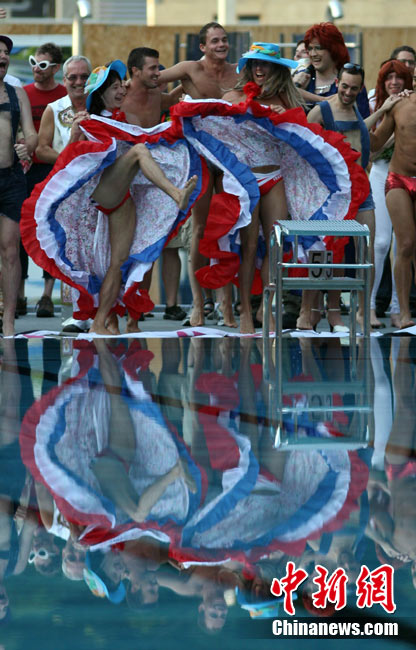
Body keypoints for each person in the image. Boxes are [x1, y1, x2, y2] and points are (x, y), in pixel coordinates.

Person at [84, 60, 197, 335]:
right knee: (139, 152)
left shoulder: (124, 119)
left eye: (120, 86)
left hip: (121, 195)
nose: (121, 90)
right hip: (103, 190)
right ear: (101, 94)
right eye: (114, 87)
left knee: (120, 262)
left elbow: (148, 134)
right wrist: (78, 131)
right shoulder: (89, 121)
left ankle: (105, 321)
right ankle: (176, 193)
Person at [301, 63, 401, 332]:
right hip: (332, 191)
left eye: (354, 89)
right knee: (324, 251)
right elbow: (303, 148)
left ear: (360, 89)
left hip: (360, 188)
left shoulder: (356, 109)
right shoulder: (321, 111)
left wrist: (384, 113)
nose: (347, 92)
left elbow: (363, 136)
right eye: (344, 86)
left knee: (366, 250)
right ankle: (313, 310)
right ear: (337, 82)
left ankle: (360, 310)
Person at [158, 23, 239, 327]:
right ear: (203, 46)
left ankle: (226, 304)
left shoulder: (238, 72)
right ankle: (198, 304)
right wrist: (117, 84)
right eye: (214, 41)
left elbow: (277, 86)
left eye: (224, 40)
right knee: (200, 230)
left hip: (229, 157)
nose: (221, 45)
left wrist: (319, 100)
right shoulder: (190, 69)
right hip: (201, 156)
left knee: (227, 228)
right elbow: (151, 79)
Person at [221, 42, 299, 333]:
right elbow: (217, 129)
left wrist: (283, 115)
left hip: (274, 176)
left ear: (276, 69)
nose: (259, 68)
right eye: (255, 63)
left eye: (264, 64)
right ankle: (244, 309)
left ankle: (267, 306)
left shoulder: (286, 99)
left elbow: (300, 134)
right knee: (249, 246)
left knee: (276, 245)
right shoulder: (233, 97)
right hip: (245, 180)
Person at [35, 54, 92, 332]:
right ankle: (72, 313)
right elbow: (41, 148)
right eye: (73, 77)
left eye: (84, 77)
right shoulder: (54, 109)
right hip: (66, 192)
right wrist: (68, 161)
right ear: (64, 79)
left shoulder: (101, 106)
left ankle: (102, 311)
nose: (79, 82)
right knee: (69, 251)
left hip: (99, 190)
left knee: (97, 250)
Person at [20, 42, 66, 319]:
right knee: (20, 232)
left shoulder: (64, 96)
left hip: (54, 170)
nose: (37, 69)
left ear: (56, 68)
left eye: (44, 64)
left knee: (50, 231)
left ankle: (47, 295)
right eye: (33, 63)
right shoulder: (23, 94)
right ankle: (20, 293)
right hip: (26, 171)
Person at [369, 60, 412, 329]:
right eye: (389, 78)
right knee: (383, 242)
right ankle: (369, 307)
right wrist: (384, 112)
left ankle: (398, 309)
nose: (394, 83)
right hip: (385, 174)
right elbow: (371, 148)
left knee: (404, 245)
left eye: (400, 77)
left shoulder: (408, 102)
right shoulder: (379, 103)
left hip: (406, 175)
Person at [0, 35, 37, 336]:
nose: (3, 56)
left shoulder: (17, 94)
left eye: (5, 52)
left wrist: (28, 146)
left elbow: (32, 133)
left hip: (11, 178)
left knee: (11, 251)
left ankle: (9, 319)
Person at [299, 22, 370, 118]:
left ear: (333, 49)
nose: (313, 54)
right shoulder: (301, 79)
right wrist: (295, 85)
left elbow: (364, 122)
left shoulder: (351, 82)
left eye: (318, 48)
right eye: (310, 48)